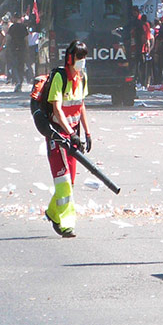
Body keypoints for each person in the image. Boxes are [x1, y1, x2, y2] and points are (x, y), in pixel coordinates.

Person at [44, 40, 91, 238]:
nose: (82, 62)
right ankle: (67, 223)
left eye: (84, 58)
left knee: (70, 181)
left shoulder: (82, 78)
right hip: (57, 133)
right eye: (79, 58)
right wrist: (68, 132)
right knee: (62, 179)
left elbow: (81, 106)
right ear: (70, 58)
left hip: (73, 135)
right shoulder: (59, 77)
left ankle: (53, 213)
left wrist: (87, 133)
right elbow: (57, 108)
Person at [6, 12, 28, 92]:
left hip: (13, 49)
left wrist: (7, 48)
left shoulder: (12, 27)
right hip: (22, 49)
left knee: (14, 66)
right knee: (21, 66)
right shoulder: (23, 27)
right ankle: (20, 82)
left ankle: (17, 81)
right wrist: (27, 49)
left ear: (14, 18)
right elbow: (26, 40)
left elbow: (8, 38)